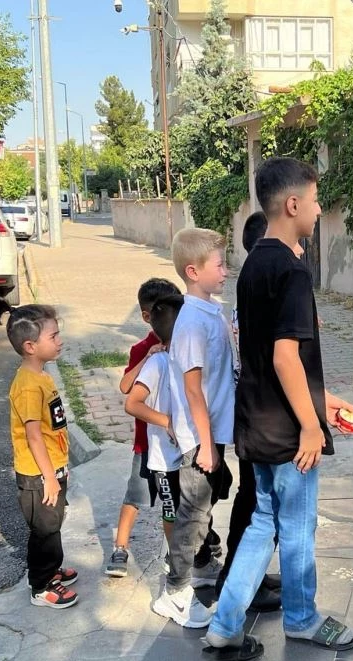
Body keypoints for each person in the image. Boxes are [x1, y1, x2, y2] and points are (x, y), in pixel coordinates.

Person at [204, 156, 353, 661]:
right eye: (314, 200)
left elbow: (269, 357)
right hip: (289, 431)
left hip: (257, 422)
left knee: (263, 521)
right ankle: (302, 618)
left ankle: (225, 624)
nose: (318, 209)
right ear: (293, 204)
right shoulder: (292, 271)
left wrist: (324, 402)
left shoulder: (252, 265)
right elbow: (284, 357)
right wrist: (311, 425)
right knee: (296, 527)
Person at [151, 227, 235, 628]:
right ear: (193, 271)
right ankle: (175, 592)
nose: (225, 270)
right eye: (219, 264)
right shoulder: (190, 324)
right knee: (193, 517)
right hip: (199, 438)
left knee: (206, 506)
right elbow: (192, 388)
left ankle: (196, 571)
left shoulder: (210, 311)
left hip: (212, 433)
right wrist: (205, 443)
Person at [0, 298, 79, 610]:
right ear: (30, 346)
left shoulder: (40, 375)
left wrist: (59, 468)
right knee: (45, 530)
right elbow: (33, 435)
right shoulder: (28, 385)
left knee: (52, 523)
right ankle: (41, 586)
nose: (59, 340)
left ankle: (49, 569)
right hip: (39, 474)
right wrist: (49, 477)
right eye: (53, 336)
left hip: (52, 467)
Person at [216, 210, 282, 612]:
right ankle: (237, 580)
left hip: (252, 408)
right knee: (257, 501)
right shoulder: (261, 288)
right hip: (259, 411)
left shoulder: (254, 286)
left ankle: (244, 574)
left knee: (254, 497)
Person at [106, 278, 181, 578]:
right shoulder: (142, 348)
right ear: (147, 316)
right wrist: (148, 356)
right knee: (135, 496)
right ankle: (120, 548)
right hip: (146, 442)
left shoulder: (181, 342)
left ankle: (174, 551)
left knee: (173, 503)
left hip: (175, 444)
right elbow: (126, 387)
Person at [124, 294, 185, 556]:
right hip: (164, 457)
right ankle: (174, 557)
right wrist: (167, 422)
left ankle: (188, 552)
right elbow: (132, 403)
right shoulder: (157, 362)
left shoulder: (185, 358)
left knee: (188, 507)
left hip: (187, 451)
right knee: (171, 510)